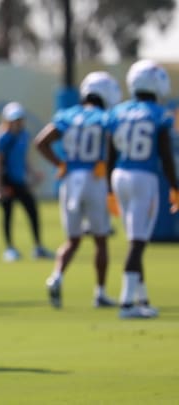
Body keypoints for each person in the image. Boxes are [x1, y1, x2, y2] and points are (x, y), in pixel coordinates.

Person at [35, 71, 122, 309]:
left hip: (70, 178)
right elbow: (115, 145)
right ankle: (100, 292)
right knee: (101, 240)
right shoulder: (106, 117)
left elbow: (40, 141)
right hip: (95, 178)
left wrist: (60, 163)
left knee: (72, 240)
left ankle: (56, 277)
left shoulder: (68, 115)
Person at [105, 60, 179, 319]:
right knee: (137, 243)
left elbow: (110, 151)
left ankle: (141, 298)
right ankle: (127, 304)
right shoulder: (159, 114)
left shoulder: (118, 112)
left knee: (137, 239)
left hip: (119, 175)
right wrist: (175, 186)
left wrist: (108, 189)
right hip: (143, 176)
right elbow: (166, 155)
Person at [0, 101, 54, 262]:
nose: (17, 122)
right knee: (8, 214)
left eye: (19, 119)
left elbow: (23, 159)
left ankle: (38, 247)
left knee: (32, 211)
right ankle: (10, 248)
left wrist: (32, 174)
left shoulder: (24, 135)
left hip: (20, 180)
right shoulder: (2, 137)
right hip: (7, 181)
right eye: (14, 119)